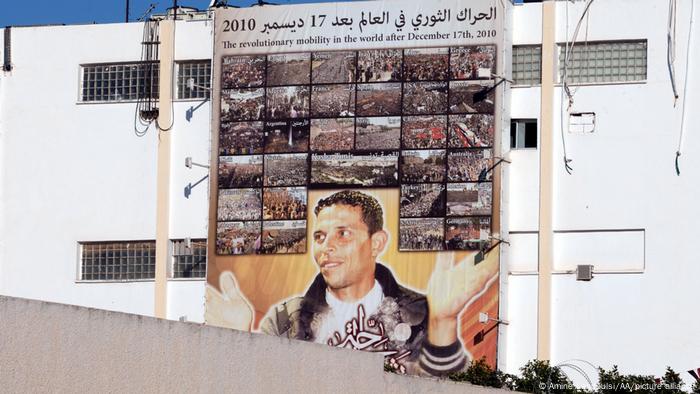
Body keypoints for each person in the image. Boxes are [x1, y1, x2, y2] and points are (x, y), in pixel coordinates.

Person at [206, 190, 496, 376]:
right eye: (319, 237)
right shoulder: (285, 320)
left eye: (342, 234)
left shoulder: (421, 313)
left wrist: (443, 322)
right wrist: (237, 342)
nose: (325, 247)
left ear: (376, 243)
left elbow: (446, 383)